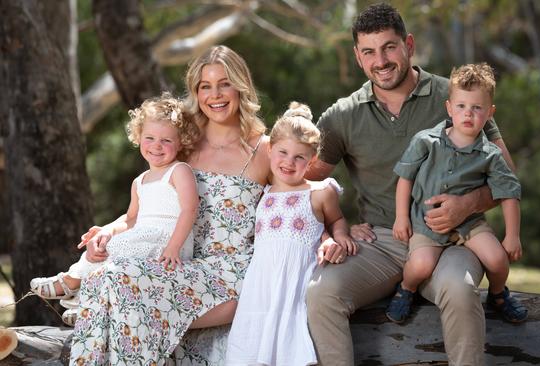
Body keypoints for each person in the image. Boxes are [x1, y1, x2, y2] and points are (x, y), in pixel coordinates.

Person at [304, 4, 515, 365]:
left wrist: (467, 205)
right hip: (382, 242)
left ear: (409, 45)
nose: (380, 60)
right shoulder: (342, 116)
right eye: (369, 51)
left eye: (389, 47)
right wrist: (335, 227)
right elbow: (299, 181)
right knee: (322, 294)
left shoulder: (457, 98)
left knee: (461, 290)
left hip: (454, 237)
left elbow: (507, 176)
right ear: (357, 57)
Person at [69, 45, 281, 365]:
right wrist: (110, 230)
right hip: (179, 267)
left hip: (231, 275)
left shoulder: (266, 149)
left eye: (224, 83)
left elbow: (301, 198)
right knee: (108, 279)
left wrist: (334, 228)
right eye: (205, 86)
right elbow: (150, 206)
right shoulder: (182, 144)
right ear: (196, 93)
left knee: (117, 291)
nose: (215, 94)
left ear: (241, 86)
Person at [29, 92, 199, 324]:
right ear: (138, 137)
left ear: (181, 142)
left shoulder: (179, 171)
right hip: (143, 237)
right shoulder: (140, 181)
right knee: (105, 244)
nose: (157, 146)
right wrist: (106, 230)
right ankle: (87, 298)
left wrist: (174, 247)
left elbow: (190, 209)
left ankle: (73, 285)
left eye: (166, 140)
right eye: (150, 138)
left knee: (118, 253)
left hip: (168, 243)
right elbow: (130, 219)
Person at [387, 63, 527, 324]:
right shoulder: (426, 141)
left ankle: (498, 295)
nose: (468, 114)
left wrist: (513, 236)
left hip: (469, 223)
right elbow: (405, 178)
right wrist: (401, 218)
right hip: (426, 223)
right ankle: (406, 290)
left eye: (477, 108)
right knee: (420, 266)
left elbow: (509, 193)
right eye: (461, 106)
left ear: (489, 113)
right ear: (449, 108)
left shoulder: (491, 155)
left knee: (497, 260)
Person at [226, 102, 356, 366]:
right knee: (252, 348)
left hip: (295, 282)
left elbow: (336, 220)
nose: (289, 162)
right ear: (270, 150)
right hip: (261, 285)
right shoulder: (263, 192)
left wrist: (338, 236)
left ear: (312, 160)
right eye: (282, 152)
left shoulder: (319, 191)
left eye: (299, 157)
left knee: (290, 348)